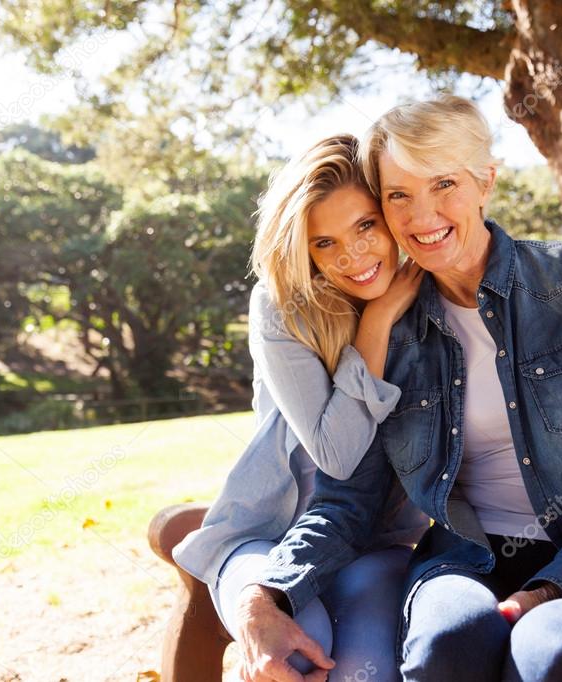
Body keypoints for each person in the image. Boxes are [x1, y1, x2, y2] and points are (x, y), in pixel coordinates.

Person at [236, 96, 562, 682]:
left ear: (486, 180)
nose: (422, 215)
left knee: (551, 648)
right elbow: (349, 498)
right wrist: (265, 593)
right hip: (471, 559)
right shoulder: (391, 335)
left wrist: (553, 585)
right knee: (448, 641)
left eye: (443, 184)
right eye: (398, 196)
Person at [172, 134, 429, 682]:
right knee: (287, 657)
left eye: (365, 226)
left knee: (363, 670)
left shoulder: (429, 305)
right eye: (324, 243)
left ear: (390, 215)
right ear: (301, 249)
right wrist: (376, 322)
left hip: (372, 543)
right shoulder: (283, 308)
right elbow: (337, 455)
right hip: (265, 537)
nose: (352, 257)